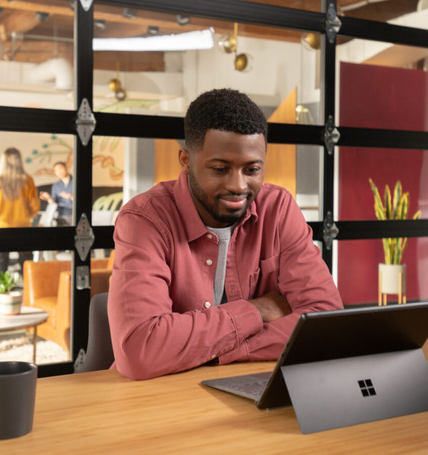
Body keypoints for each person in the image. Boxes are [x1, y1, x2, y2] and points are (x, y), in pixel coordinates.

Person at [109, 88, 343, 380]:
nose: (238, 185)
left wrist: (221, 351)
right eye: (220, 169)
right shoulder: (145, 219)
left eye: (252, 169)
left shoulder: (278, 208)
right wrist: (257, 310)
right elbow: (141, 351)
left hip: (252, 384)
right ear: (185, 160)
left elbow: (324, 323)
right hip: (158, 396)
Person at [0, 147, 40, 276]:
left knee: (1, 262)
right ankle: (28, 294)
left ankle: (0, 294)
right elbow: (35, 206)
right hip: (23, 227)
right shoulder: (27, 180)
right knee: (26, 263)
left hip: (1, 227)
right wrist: (27, 215)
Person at [39, 161, 73, 225]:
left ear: (66, 168)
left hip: (75, 213)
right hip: (62, 214)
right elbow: (53, 203)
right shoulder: (56, 186)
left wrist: (71, 197)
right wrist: (48, 198)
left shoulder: (75, 181)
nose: (59, 171)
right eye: (56, 170)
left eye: (60, 168)